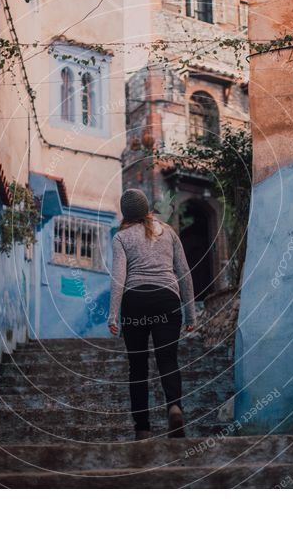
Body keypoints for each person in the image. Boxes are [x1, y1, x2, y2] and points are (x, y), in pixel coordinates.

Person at [108, 188, 196, 441]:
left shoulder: (121, 237)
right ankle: (175, 407)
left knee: (137, 367)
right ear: (146, 208)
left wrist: (113, 315)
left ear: (126, 213)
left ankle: (142, 428)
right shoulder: (168, 231)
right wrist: (191, 314)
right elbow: (184, 272)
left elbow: (119, 279)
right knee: (167, 360)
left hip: (135, 301)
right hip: (166, 299)